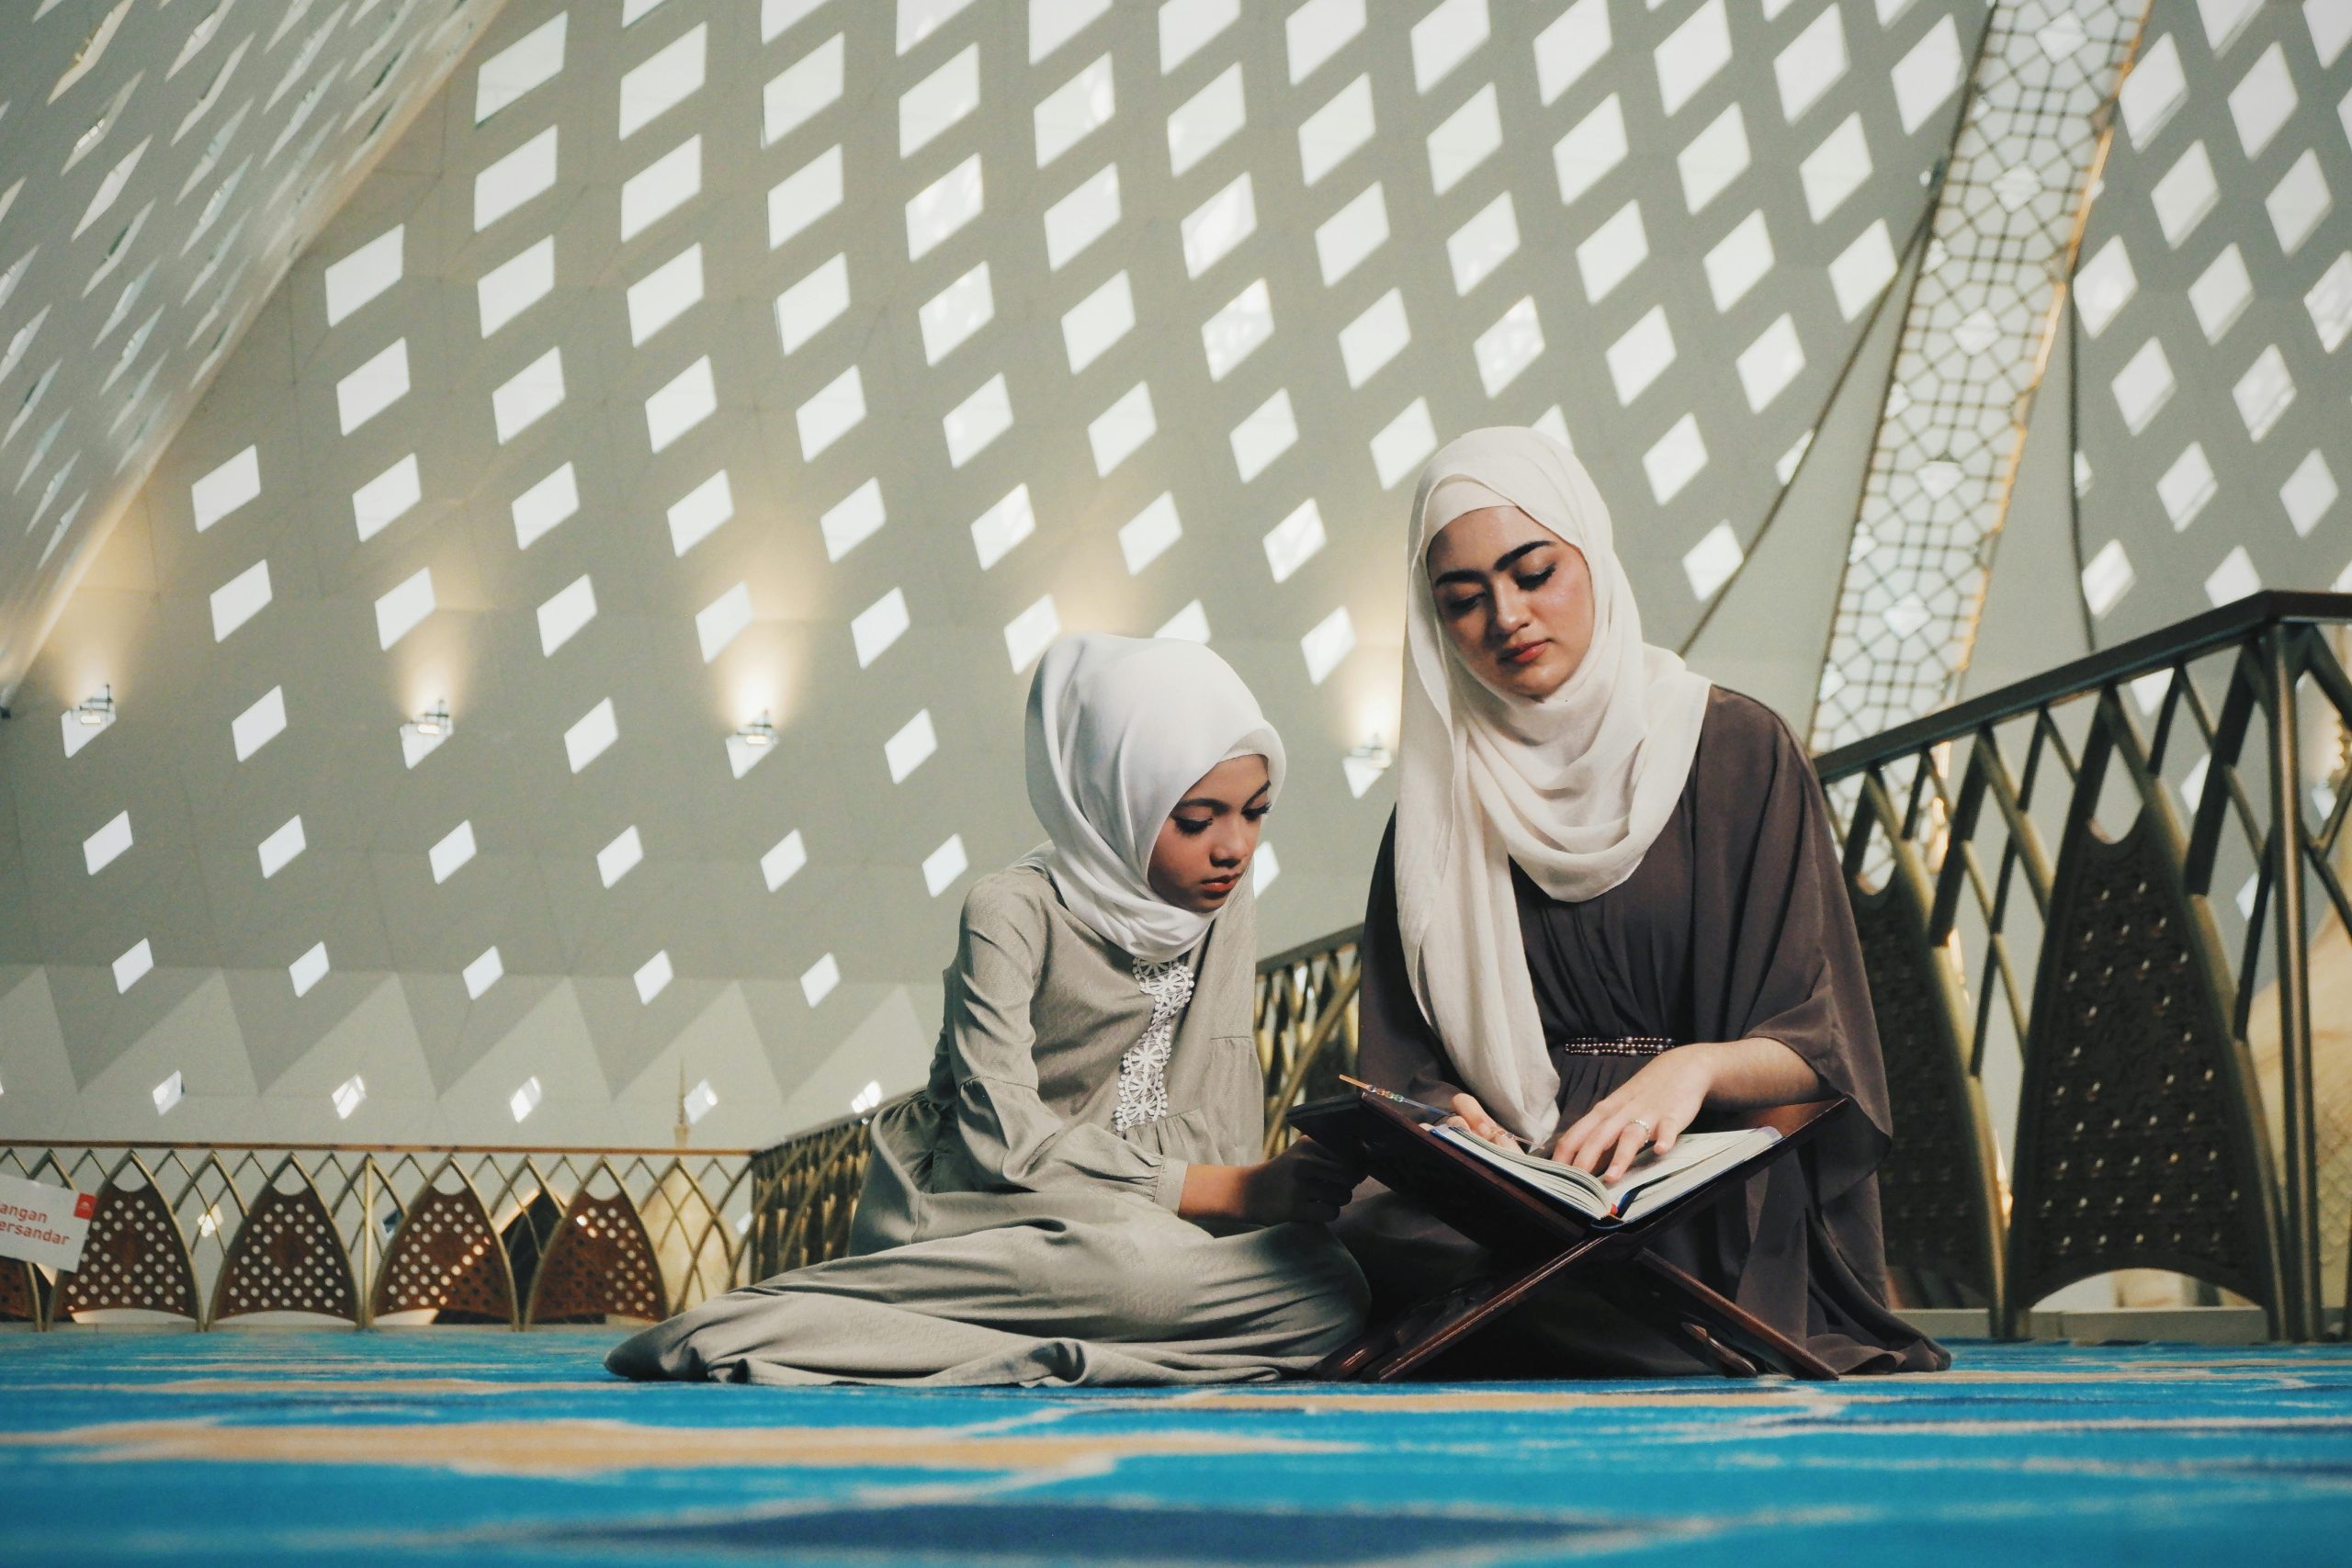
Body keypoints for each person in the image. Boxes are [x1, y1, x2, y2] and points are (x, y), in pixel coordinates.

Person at [1334, 425, 1948, 1376]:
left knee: (1445, 1290)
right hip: (1507, 1192)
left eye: (1533, 573)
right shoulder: (1433, 811)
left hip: (1698, 1177)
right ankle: (1658, 1330)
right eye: (1463, 600)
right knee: (1350, 1241)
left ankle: (1591, 1316)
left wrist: (1689, 1073)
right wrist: (1454, 1114)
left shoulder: (1736, 750)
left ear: (1590, 553)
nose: (1505, 617)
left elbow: (1819, 1044)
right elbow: (1396, 1069)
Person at [607, 633, 1365, 1386]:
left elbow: (1219, 1084)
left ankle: (1039, 1347)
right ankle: (754, 1323)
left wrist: (1235, 1213)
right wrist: (1224, 1192)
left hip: (1149, 1224)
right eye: (1196, 820)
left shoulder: (1224, 905)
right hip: (984, 1207)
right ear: (1111, 799)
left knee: (1329, 1288)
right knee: (1142, 1267)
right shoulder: (1009, 908)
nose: (1234, 846)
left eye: (1256, 811)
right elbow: (1002, 1140)